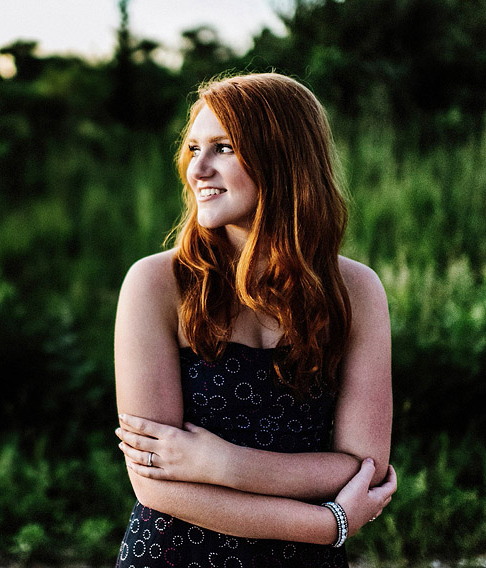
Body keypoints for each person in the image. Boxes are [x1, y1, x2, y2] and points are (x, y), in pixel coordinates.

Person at [113, 73, 397, 567]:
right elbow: (154, 482)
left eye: (222, 148)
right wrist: (327, 524)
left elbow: (364, 467)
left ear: (282, 159)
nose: (197, 169)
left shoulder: (356, 291)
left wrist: (220, 462)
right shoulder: (156, 284)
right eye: (193, 148)